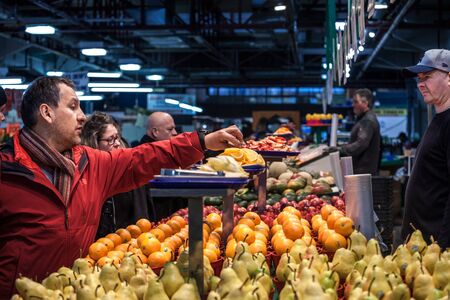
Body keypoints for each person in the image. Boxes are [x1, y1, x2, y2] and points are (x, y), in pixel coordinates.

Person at [0, 76, 244, 297]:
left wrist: (202, 141)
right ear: (47, 112)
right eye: (73, 106)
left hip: (74, 292)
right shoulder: (6, 170)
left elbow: (143, 158)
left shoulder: (90, 163)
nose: (82, 116)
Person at [401, 49, 450, 248]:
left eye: (427, 76)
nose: (420, 83)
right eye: (419, 78)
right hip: (421, 243)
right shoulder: (439, 118)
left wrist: (443, 247)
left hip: (435, 247)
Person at [81, 112, 152, 238]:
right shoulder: (86, 175)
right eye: (110, 140)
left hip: (129, 244)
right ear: (93, 142)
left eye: (117, 137)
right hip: (99, 248)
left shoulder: (127, 168)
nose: (117, 143)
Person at [340, 88, 381, 175]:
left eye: (355, 102)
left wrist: (341, 150)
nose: (353, 105)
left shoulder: (368, 120)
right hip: (362, 172)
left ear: (365, 103)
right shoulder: (364, 119)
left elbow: (361, 144)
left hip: (363, 172)